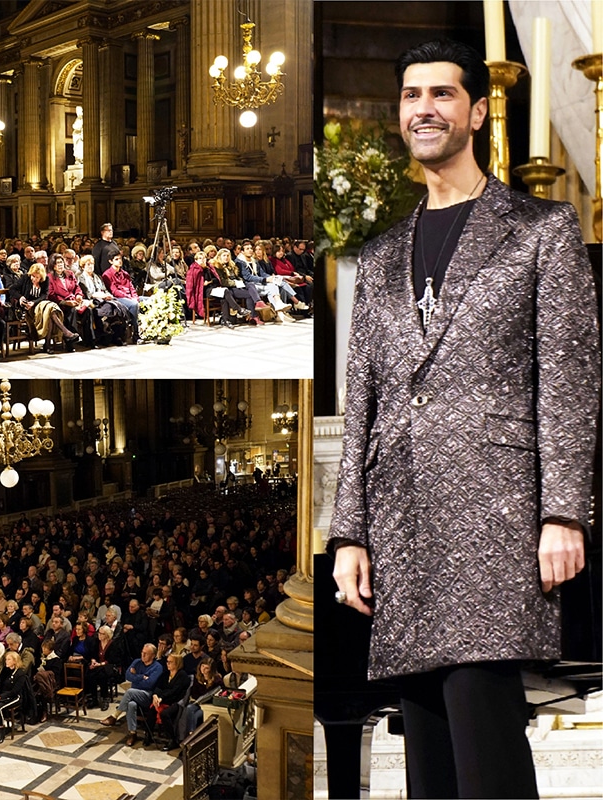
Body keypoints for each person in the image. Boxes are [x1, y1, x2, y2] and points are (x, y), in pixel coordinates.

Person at [330, 38, 600, 800]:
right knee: (431, 773)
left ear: (478, 112)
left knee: (488, 761)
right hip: (402, 534)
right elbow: (362, 400)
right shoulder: (380, 256)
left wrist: (563, 513)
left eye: (442, 94)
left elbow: (570, 380)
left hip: (496, 526)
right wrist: (349, 533)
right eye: (411, 95)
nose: (424, 109)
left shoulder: (540, 230)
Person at [100, 643, 163, 747]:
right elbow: (128, 676)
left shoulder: (157, 667)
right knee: (131, 704)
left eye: (146, 653)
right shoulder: (137, 662)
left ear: (153, 656)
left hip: (147, 695)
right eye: (142, 652)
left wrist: (136, 676)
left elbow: (149, 684)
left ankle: (114, 716)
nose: (143, 655)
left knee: (130, 691)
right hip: (134, 693)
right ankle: (132, 733)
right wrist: (142, 677)